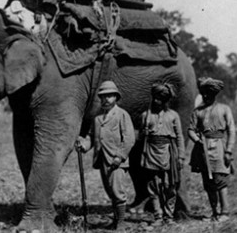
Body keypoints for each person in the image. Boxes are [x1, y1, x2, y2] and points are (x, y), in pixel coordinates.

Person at [76, 80, 135, 231]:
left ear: (116, 97)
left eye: (109, 96)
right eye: (103, 96)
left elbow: (129, 138)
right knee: (110, 191)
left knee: (117, 191)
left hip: (116, 160)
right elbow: (91, 137)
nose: (106, 99)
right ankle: (116, 220)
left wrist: (120, 156)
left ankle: (121, 223)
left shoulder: (122, 115)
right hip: (102, 159)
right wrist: (84, 145)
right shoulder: (97, 118)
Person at [188, 77, 236, 222]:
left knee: (220, 179)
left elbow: (231, 130)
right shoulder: (198, 111)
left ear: (215, 94)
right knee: (208, 181)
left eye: (209, 93)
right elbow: (190, 129)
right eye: (204, 93)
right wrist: (197, 141)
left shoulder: (224, 109)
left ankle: (225, 212)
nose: (206, 96)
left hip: (220, 148)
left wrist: (228, 150)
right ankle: (214, 212)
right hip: (203, 149)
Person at [138, 82, 185, 226]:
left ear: (166, 101)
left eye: (160, 99)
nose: (157, 101)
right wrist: (143, 133)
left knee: (169, 186)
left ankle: (168, 217)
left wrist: (181, 156)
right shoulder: (146, 115)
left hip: (169, 153)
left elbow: (179, 136)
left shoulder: (173, 116)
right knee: (153, 186)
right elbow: (140, 137)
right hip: (151, 153)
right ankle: (158, 216)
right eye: (155, 98)